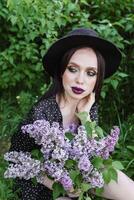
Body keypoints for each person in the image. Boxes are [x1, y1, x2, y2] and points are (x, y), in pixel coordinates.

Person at [9, 28, 134, 200]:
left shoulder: (89, 105)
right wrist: (61, 185)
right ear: (61, 72)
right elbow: (19, 159)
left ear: (97, 79)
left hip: (78, 173)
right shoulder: (42, 113)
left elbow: (97, 155)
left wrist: (85, 115)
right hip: (40, 181)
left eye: (91, 73)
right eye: (73, 69)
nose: (80, 80)